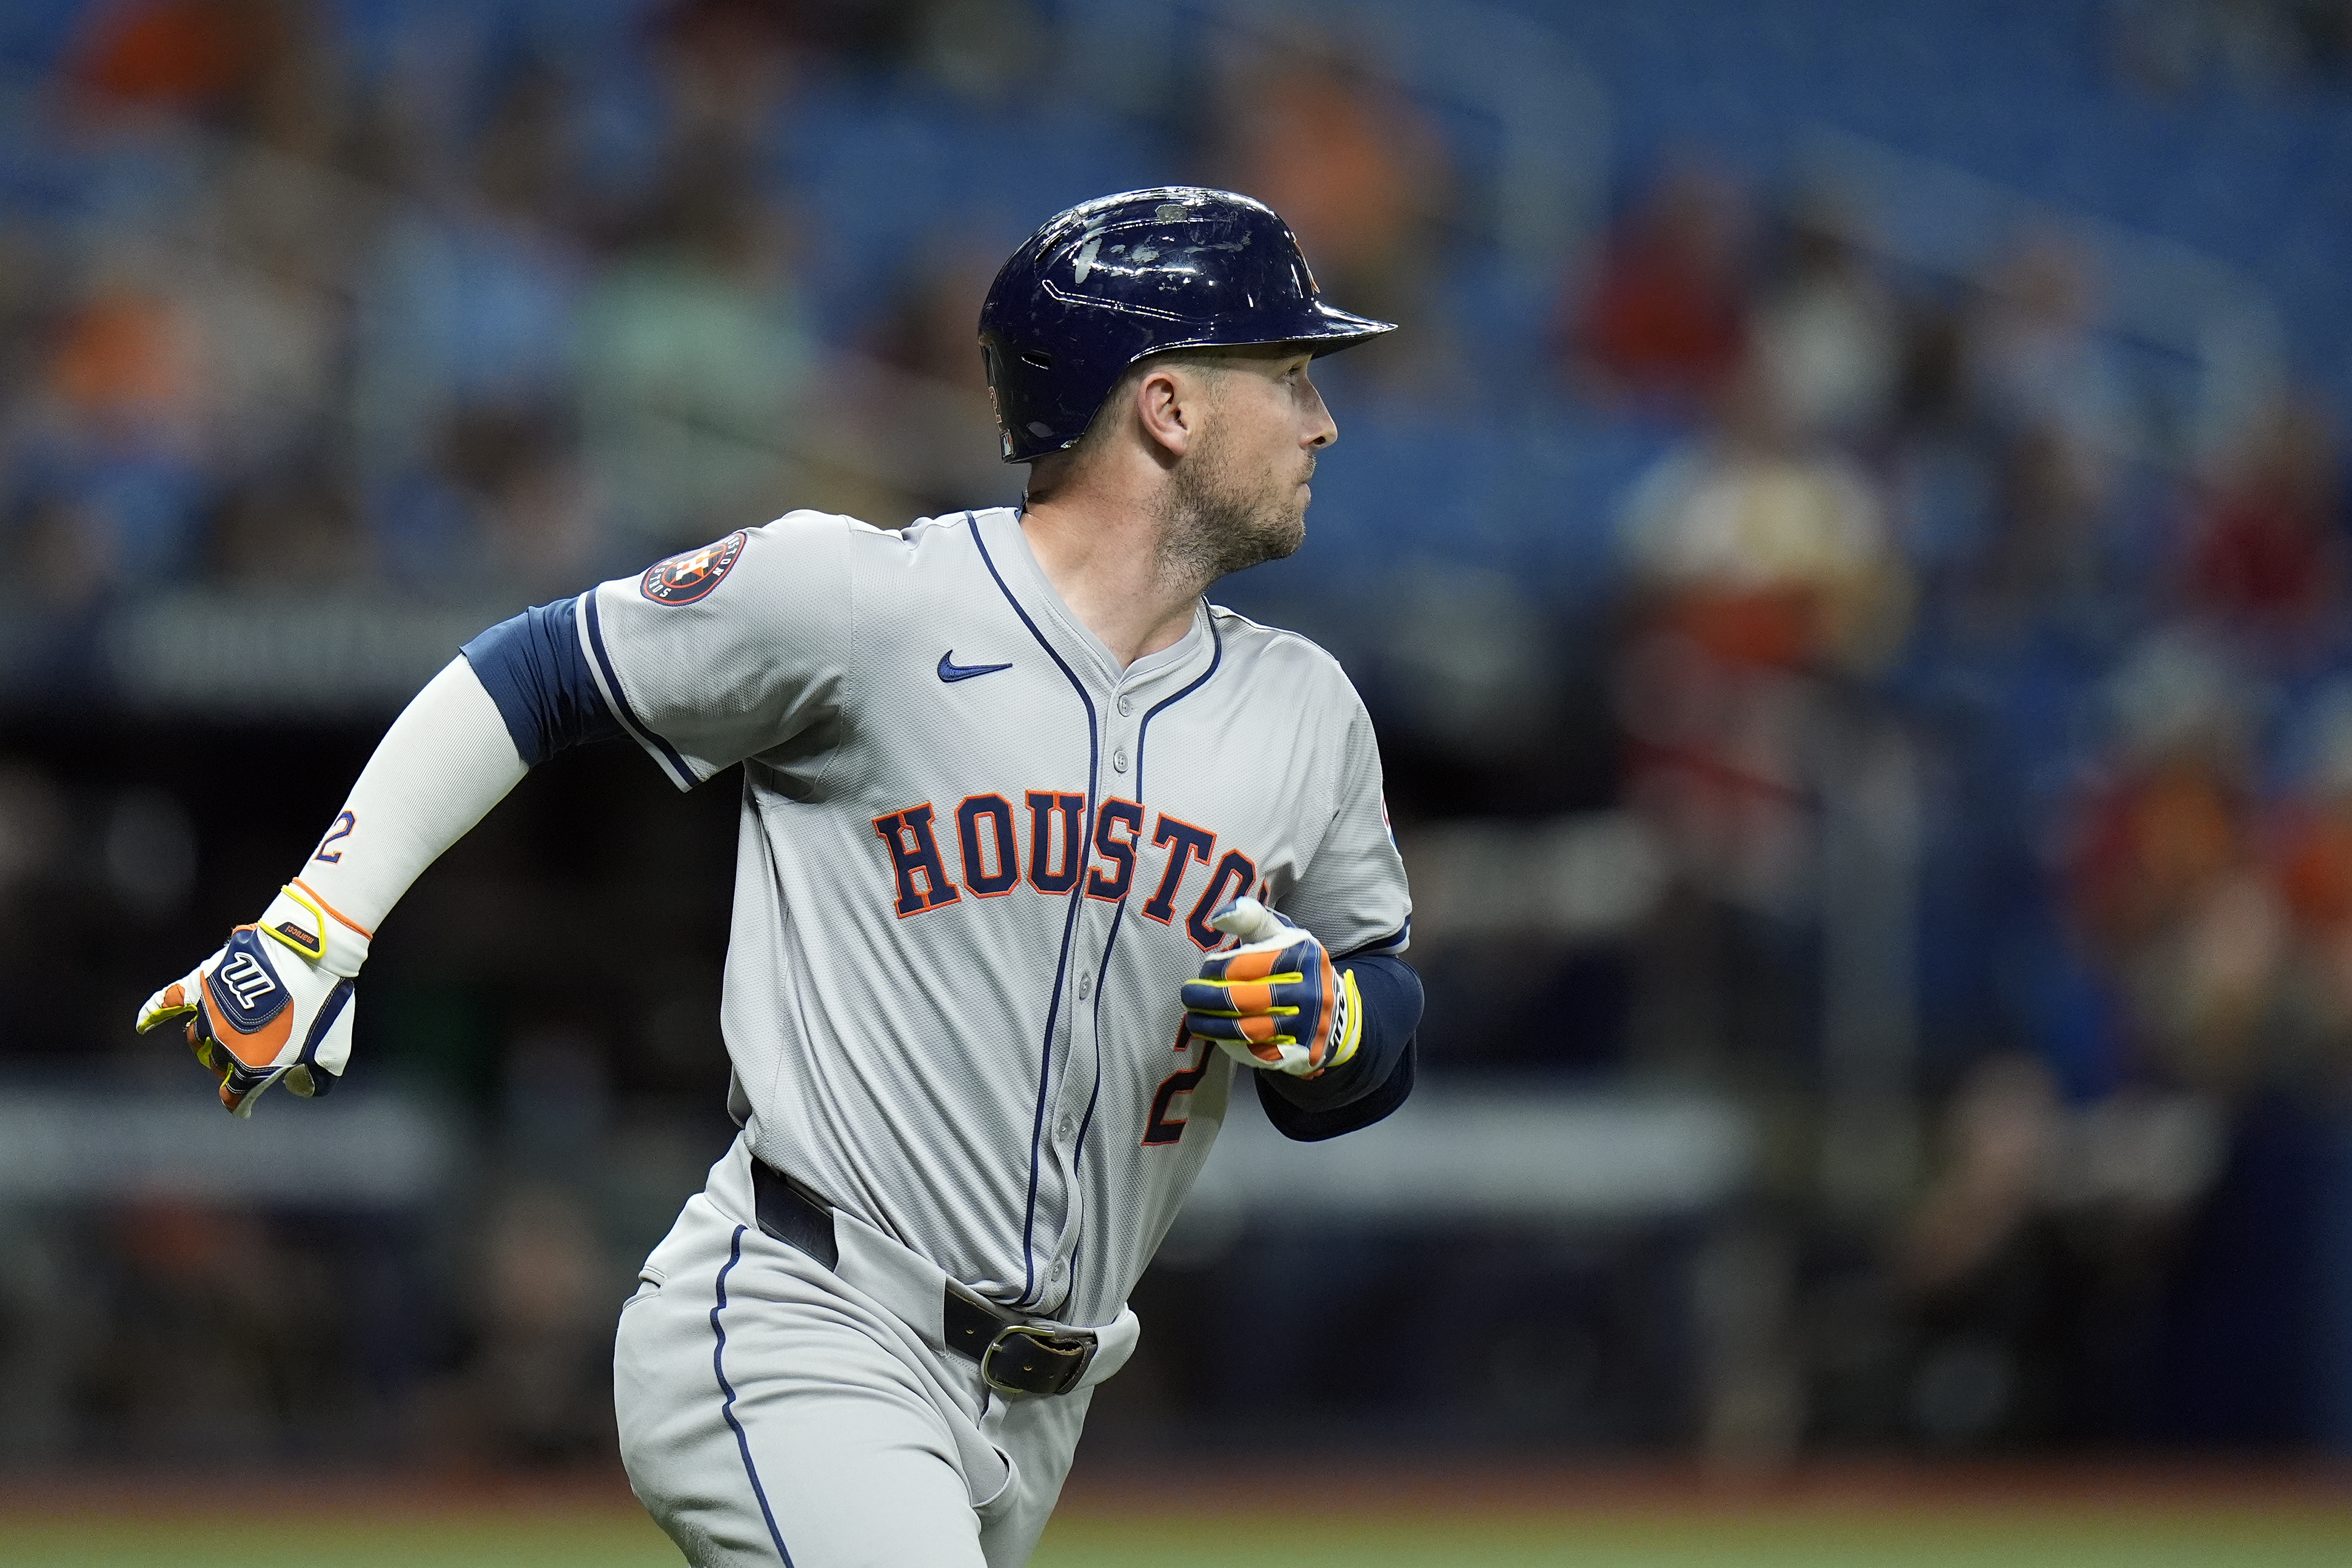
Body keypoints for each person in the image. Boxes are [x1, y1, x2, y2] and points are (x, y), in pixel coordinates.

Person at [134, 187, 1422, 1567]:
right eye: (1285, 373)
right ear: (1166, 407)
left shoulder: (1307, 713)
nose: (1320, 419)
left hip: (1041, 1403)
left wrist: (1334, 1027)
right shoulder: (867, 601)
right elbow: (539, 665)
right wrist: (321, 919)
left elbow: (1378, 1000)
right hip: (803, 1319)